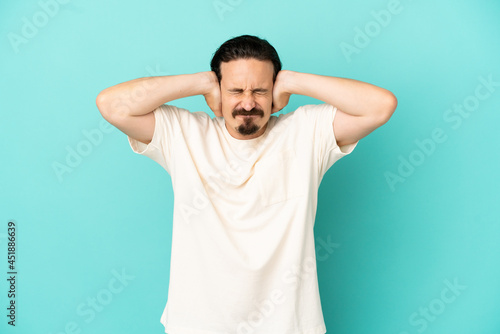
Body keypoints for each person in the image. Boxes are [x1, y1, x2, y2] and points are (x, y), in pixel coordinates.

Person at [96, 34, 397, 334]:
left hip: (289, 326)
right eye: (236, 90)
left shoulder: (307, 132)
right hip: (197, 325)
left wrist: (293, 80)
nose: (248, 102)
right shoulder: (184, 133)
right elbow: (111, 105)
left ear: (276, 92)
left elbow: (380, 106)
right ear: (219, 92)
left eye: (261, 91)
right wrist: (200, 82)